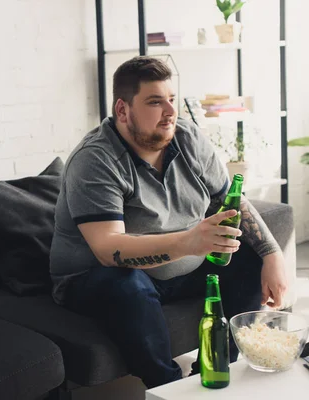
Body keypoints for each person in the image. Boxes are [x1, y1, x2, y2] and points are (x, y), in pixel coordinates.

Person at [49, 56, 288, 389]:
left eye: (172, 99)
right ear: (122, 110)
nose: (170, 111)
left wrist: (272, 253)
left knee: (246, 257)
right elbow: (108, 250)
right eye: (154, 102)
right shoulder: (95, 160)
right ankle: (169, 389)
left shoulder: (187, 137)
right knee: (127, 284)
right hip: (97, 277)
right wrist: (189, 241)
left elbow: (230, 199)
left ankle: (218, 366)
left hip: (175, 268)